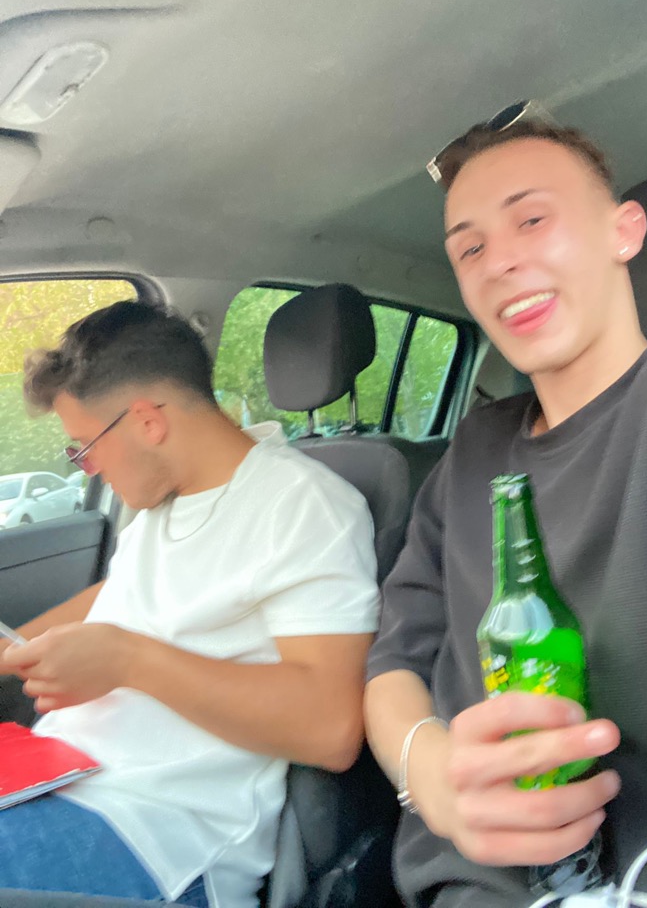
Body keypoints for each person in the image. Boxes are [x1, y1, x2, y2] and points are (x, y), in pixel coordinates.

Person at [364, 110, 647, 907]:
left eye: (532, 219)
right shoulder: (472, 455)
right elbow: (391, 667)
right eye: (469, 249)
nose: (500, 261)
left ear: (623, 231)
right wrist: (430, 774)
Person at [0, 301, 379, 907]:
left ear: (148, 421)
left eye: (84, 447)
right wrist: (11, 648)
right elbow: (118, 594)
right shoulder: (161, 505)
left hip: (153, 830)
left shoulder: (302, 505)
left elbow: (331, 728)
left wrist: (129, 661)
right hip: (55, 776)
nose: (87, 466)